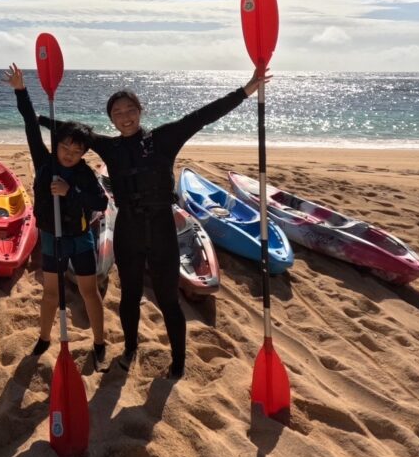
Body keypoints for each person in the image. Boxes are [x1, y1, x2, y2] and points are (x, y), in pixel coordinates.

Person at [40, 69, 269, 380]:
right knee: (130, 295)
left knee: (168, 298)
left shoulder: (164, 138)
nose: (124, 116)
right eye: (117, 112)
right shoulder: (110, 147)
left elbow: (202, 116)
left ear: (140, 110)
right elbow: (70, 130)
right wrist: (34, 115)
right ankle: (131, 348)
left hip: (162, 227)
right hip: (128, 229)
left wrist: (245, 91)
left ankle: (177, 362)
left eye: (129, 109)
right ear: (111, 118)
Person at [3, 64, 109, 370]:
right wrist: (21, 91)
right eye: (64, 146)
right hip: (51, 237)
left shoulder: (85, 174)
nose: (68, 153)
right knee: (50, 293)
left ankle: (99, 342)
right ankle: (44, 337)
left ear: (84, 153)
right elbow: (30, 126)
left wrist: (70, 192)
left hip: (80, 239)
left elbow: (100, 201)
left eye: (76, 151)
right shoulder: (44, 161)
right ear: (57, 144)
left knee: (89, 292)